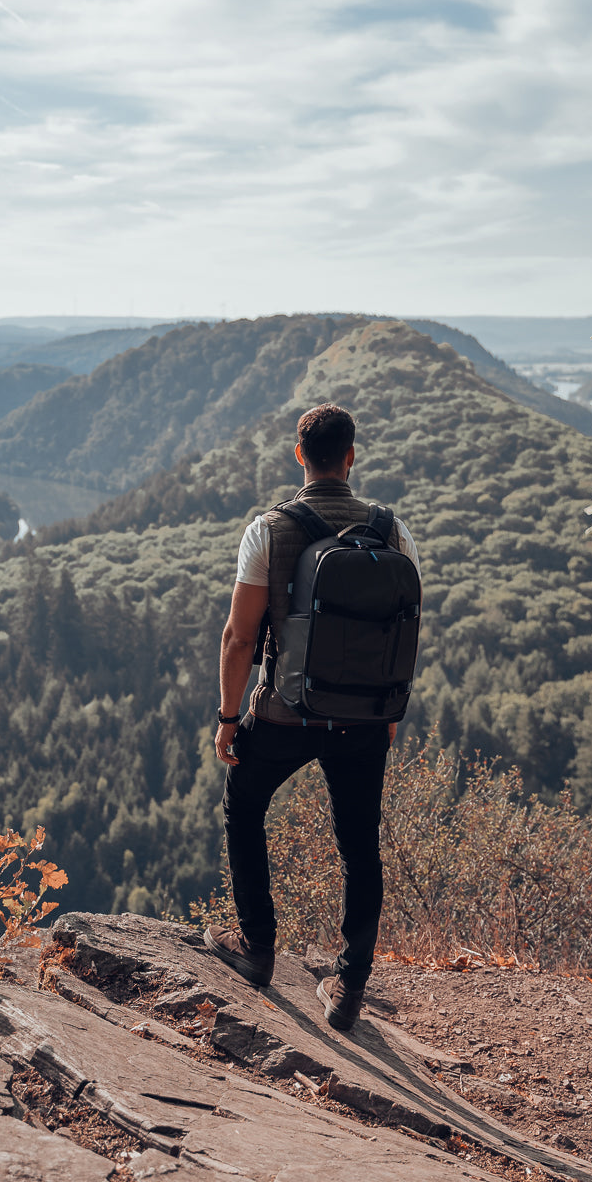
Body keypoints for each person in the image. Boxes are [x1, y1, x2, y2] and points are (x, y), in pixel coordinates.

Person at [204, 403, 421, 1032]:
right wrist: (390, 711)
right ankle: (349, 987)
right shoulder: (392, 530)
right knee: (360, 844)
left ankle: (257, 947)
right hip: (364, 717)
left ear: (299, 456)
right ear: (352, 456)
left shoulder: (269, 530)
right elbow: (404, 631)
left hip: (285, 712)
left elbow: (239, 639)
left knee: (245, 802)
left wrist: (227, 716)